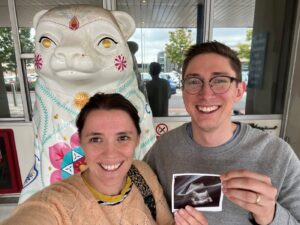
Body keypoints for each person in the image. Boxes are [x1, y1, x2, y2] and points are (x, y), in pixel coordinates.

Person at [144, 41, 300, 225]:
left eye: (219, 81)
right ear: (184, 90)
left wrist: (271, 215)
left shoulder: (278, 155)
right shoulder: (163, 150)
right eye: (194, 81)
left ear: (239, 91)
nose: (206, 94)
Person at [2, 93, 174, 225]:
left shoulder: (141, 173)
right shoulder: (57, 204)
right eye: (96, 139)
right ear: (81, 142)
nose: (110, 153)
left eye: (122, 138)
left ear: (137, 139)